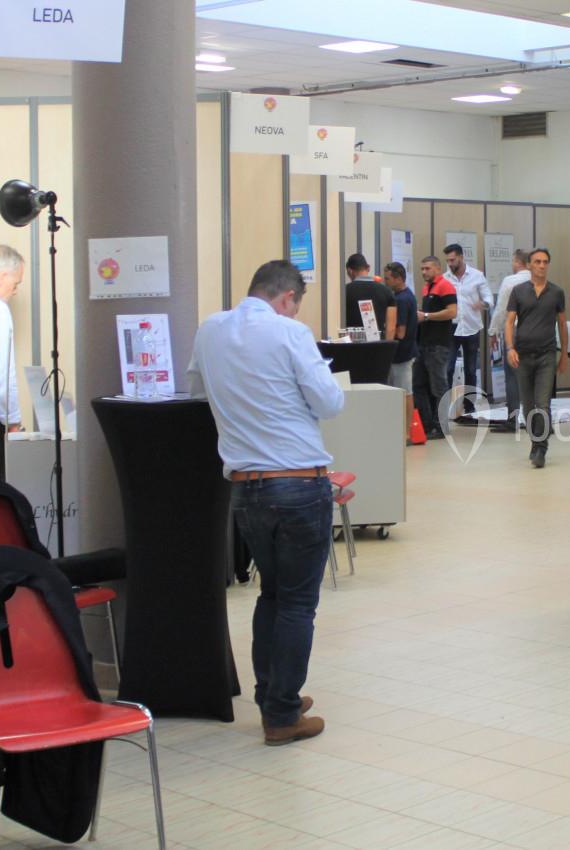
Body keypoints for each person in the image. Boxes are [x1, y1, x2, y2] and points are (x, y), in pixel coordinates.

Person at [188, 260, 344, 745]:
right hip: (298, 483)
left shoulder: (209, 330)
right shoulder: (290, 333)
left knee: (271, 595)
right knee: (298, 603)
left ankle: (274, 695)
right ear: (288, 298)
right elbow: (329, 402)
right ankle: (281, 715)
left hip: (246, 488)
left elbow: (198, 393)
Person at [505, 247, 568, 469]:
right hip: (522, 355)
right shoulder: (518, 291)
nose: (542, 265)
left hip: (547, 354)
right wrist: (510, 348)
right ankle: (535, 441)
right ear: (529, 265)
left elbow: (562, 324)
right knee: (528, 405)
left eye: (545, 262)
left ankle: (541, 446)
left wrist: (564, 355)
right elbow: (509, 321)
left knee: (543, 403)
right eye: (537, 262)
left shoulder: (557, 292)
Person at [0, 245, 25, 480]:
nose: (15, 290)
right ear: (1, 277)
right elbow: (0, 373)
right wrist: (13, 421)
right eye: (15, 283)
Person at [413, 256, 457, 440]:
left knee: (439, 386)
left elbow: (452, 312)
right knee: (419, 385)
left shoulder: (445, 286)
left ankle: (441, 426)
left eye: (427, 268)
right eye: (422, 268)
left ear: (437, 269)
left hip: (438, 345)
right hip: (424, 344)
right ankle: (427, 423)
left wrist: (427, 316)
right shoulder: (426, 288)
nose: (424, 272)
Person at [443, 243, 492, 396]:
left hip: (471, 328)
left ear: (461, 257)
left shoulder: (477, 275)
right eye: (448, 261)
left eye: (452, 260)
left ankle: (469, 406)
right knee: (448, 368)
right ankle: (447, 404)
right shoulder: (445, 278)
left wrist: (482, 304)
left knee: (471, 370)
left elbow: (489, 299)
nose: (450, 264)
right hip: (451, 329)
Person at [490, 249, 531, 425]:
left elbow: (501, 310)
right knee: (534, 375)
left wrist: (493, 332)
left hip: (514, 331)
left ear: (517, 262)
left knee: (512, 376)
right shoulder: (537, 280)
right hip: (537, 332)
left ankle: (512, 419)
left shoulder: (510, 281)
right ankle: (536, 418)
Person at [383, 262, 418, 442]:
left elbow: (400, 331)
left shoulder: (401, 300)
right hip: (406, 351)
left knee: (405, 392)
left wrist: (387, 334)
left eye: (388, 278)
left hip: (401, 354)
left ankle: (406, 432)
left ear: (398, 278)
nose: (385, 281)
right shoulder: (407, 295)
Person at [344, 253, 396, 339]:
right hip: (377, 346)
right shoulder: (386, 291)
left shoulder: (344, 291)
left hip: (352, 347)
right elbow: (391, 328)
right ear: (368, 268)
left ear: (350, 271)